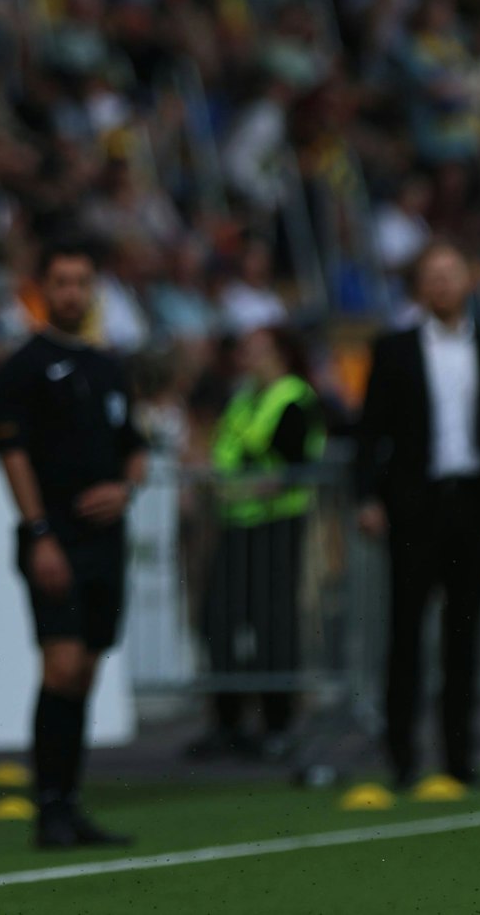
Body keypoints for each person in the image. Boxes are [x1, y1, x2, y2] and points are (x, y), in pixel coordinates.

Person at [355, 241, 480, 787]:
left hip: (473, 503)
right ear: (419, 287)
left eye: (451, 273)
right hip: (414, 505)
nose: (442, 283)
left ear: (469, 281)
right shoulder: (393, 349)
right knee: (406, 633)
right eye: (432, 275)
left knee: (464, 635)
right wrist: (365, 497)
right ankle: (401, 758)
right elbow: (371, 430)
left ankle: (459, 757)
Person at [0, 239, 144, 849]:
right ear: (43, 291)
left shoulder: (109, 367)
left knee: (86, 672)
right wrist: (39, 532)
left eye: (81, 282)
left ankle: (70, 803)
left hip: (106, 539)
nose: (72, 293)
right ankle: (49, 809)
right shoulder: (25, 366)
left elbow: (135, 448)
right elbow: (13, 454)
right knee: (62, 665)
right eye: (62, 282)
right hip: (55, 537)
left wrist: (123, 490)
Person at [190, 325, 326, 761]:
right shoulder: (243, 396)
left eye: (257, 350)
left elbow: (295, 468)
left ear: (281, 355)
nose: (246, 357)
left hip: (275, 525)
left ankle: (277, 725)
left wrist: (238, 490)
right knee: (219, 620)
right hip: (235, 525)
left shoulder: (293, 398)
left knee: (272, 627)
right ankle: (227, 722)